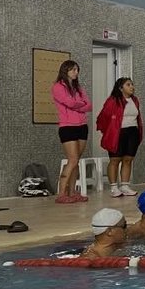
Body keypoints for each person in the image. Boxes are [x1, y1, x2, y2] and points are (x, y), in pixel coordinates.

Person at [51, 59, 92, 204]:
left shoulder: (78, 87)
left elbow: (89, 105)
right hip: (67, 126)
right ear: (65, 70)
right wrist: (80, 104)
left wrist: (77, 105)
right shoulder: (58, 87)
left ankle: (72, 192)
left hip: (82, 126)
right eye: (73, 69)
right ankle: (61, 194)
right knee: (72, 160)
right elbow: (69, 103)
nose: (76, 72)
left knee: (76, 161)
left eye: (77, 70)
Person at [95, 76, 142, 198]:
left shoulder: (135, 100)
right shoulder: (113, 100)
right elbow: (103, 117)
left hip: (133, 131)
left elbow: (138, 117)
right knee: (115, 160)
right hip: (118, 133)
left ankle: (125, 186)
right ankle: (114, 187)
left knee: (128, 159)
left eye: (132, 84)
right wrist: (108, 131)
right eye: (128, 85)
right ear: (121, 88)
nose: (132, 87)